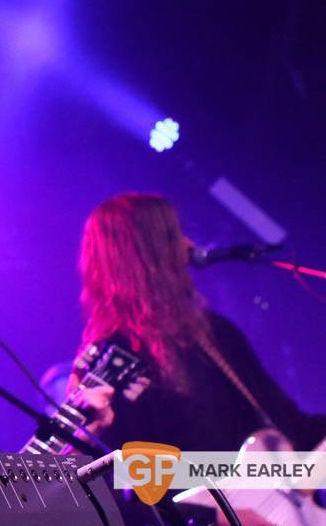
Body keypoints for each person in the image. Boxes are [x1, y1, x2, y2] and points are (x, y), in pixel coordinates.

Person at [70, 192, 324, 525]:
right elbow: (110, 489)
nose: (189, 245)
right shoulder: (110, 365)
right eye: (175, 235)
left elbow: (292, 426)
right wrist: (211, 518)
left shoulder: (215, 333)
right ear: (149, 254)